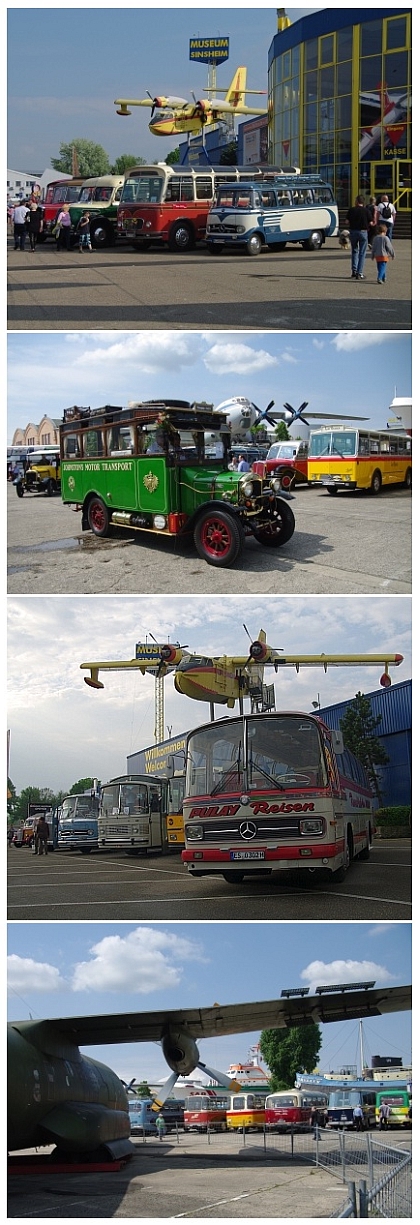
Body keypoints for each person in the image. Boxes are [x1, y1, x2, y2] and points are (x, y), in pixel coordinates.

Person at [344, 195, 369, 280]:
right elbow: (371, 221)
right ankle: (360, 272)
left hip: (353, 231)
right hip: (363, 232)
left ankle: (354, 271)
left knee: (354, 251)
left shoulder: (351, 210)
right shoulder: (366, 211)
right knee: (362, 253)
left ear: (357, 201)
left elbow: (347, 221)